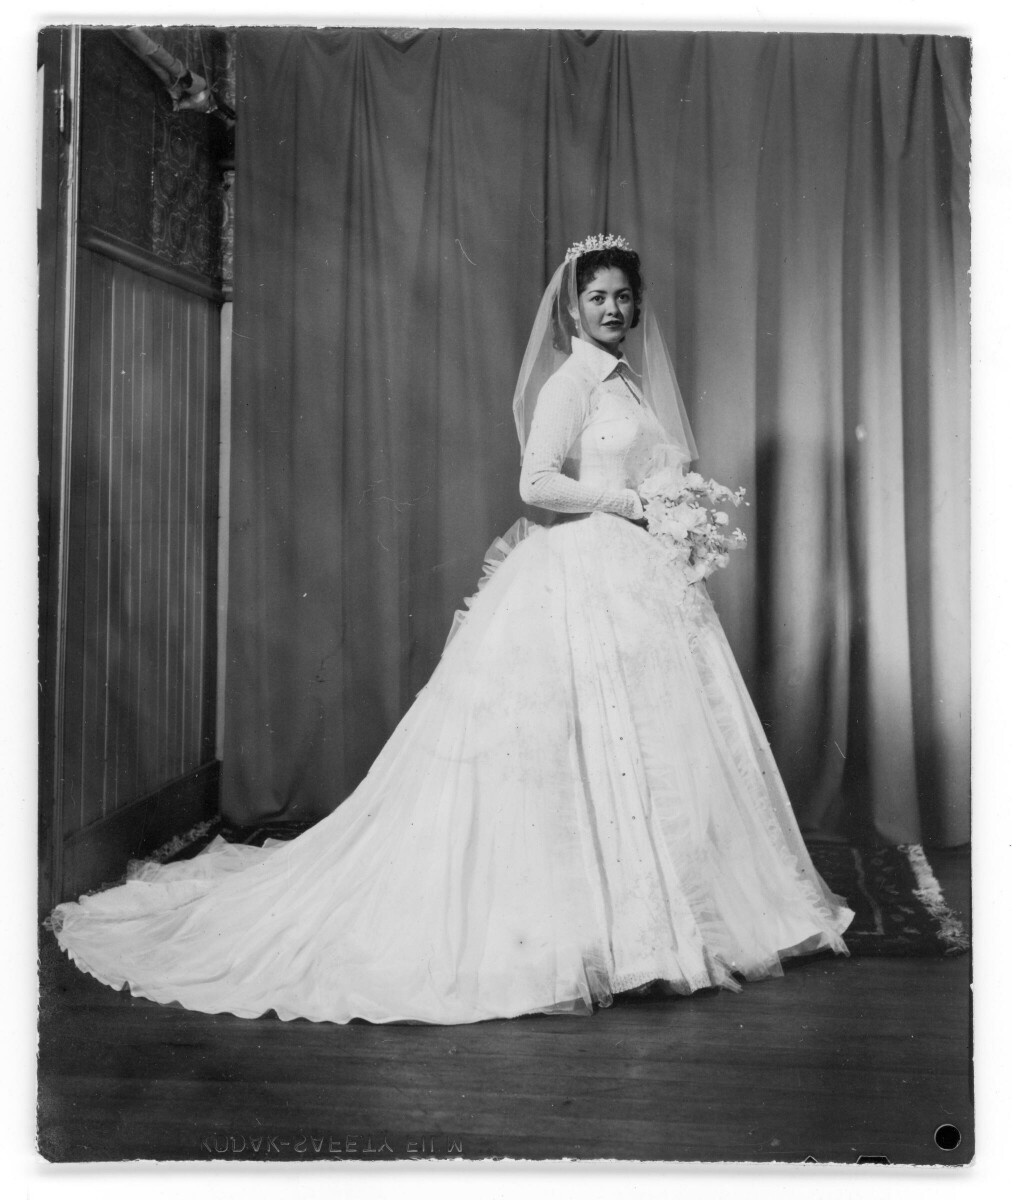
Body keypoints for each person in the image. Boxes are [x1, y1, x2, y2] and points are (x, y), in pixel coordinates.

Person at [48, 235, 853, 1025]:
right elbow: (537, 480)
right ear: (574, 308)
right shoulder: (570, 383)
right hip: (582, 572)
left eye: (621, 296)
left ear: (637, 304)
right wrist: (633, 506)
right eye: (597, 296)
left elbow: (657, 474)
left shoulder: (632, 386)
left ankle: (659, 922)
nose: (611, 308)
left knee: (655, 748)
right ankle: (597, 931)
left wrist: (676, 515)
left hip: (640, 578)